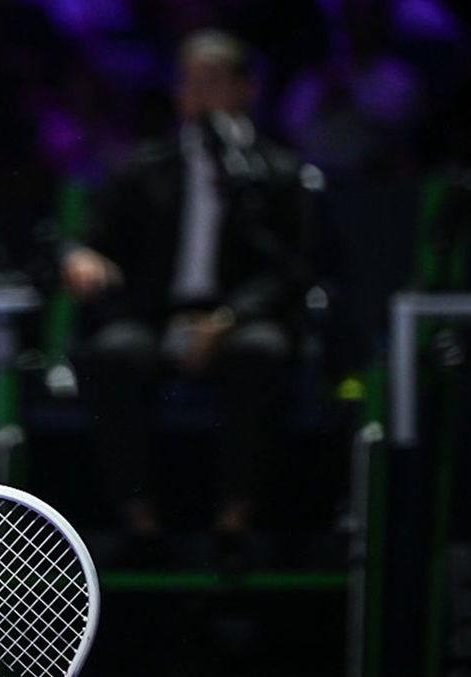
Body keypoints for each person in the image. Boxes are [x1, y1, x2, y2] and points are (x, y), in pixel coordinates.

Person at [59, 30, 316, 564]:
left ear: (245, 89)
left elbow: (292, 270)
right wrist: (82, 256)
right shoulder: (144, 166)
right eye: (190, 84)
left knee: (261, 353)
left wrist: (226, 319)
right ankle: (139, 519)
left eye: (214, 83)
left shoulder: (276, 173)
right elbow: (90, 238)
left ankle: (235, 518)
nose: (199, 97)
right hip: (156, 316)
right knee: (112, 353)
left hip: (240, 319)